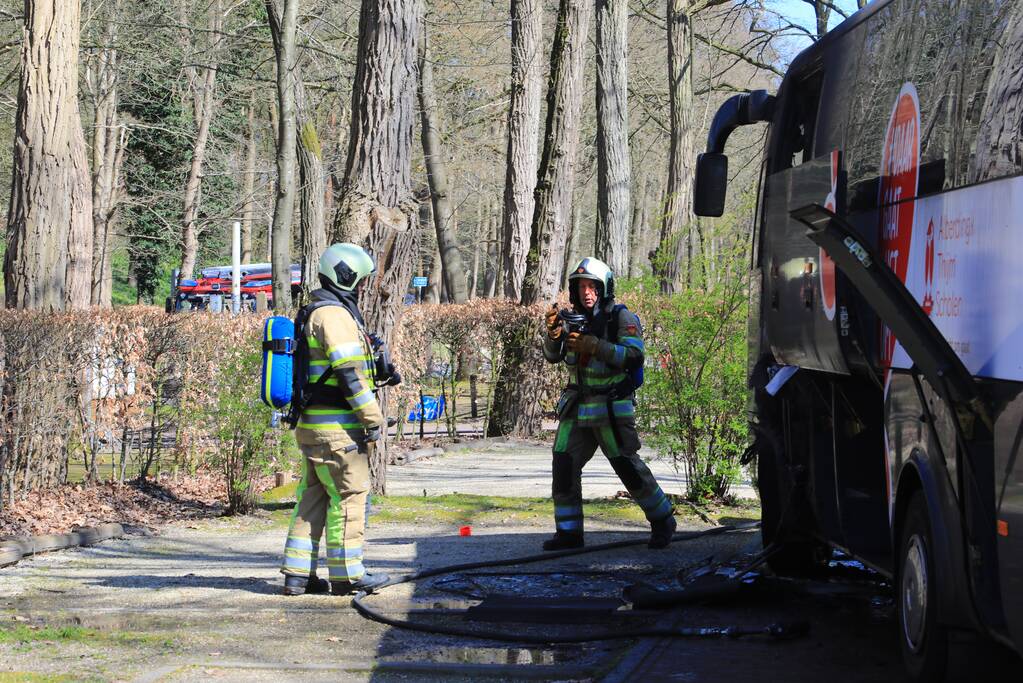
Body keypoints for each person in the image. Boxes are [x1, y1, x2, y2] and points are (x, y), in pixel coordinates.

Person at [542, 257, 676, 550]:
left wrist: (596, 346)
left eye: (592, 286)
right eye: (581, 287)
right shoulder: (571, 320)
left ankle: (663, 519)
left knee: (627, 467)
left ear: (604, 288)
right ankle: (568, 533)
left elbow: (634, 356)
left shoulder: (621, 318)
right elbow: (553, 356)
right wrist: (553, 335)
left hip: (610, 409)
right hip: (576, 409)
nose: (586, 293)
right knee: (563, 464)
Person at [280, 243, 390, 596]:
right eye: (360, 281)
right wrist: (373, 418)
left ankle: (298, 575)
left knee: (312, 498)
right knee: (350, 496)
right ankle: (348, 576)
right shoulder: (335, 316)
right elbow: (349, 375)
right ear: (347, 275)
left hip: (313, 427)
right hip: (339, 430)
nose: (362, 288)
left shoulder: (313, 311)